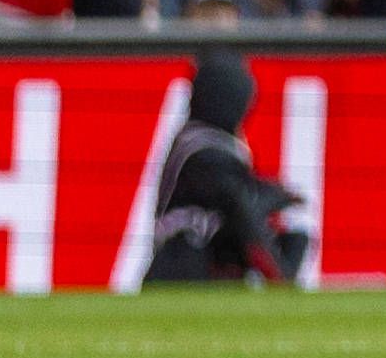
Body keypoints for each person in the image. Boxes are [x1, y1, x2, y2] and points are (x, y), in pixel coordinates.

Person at [134, 48, 315, 288]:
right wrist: (280, 273)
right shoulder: (204, 150)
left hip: (192, 261)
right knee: (289, 240)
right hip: (185, 268)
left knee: (294, 238)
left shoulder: (198, 141)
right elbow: (239, 207)